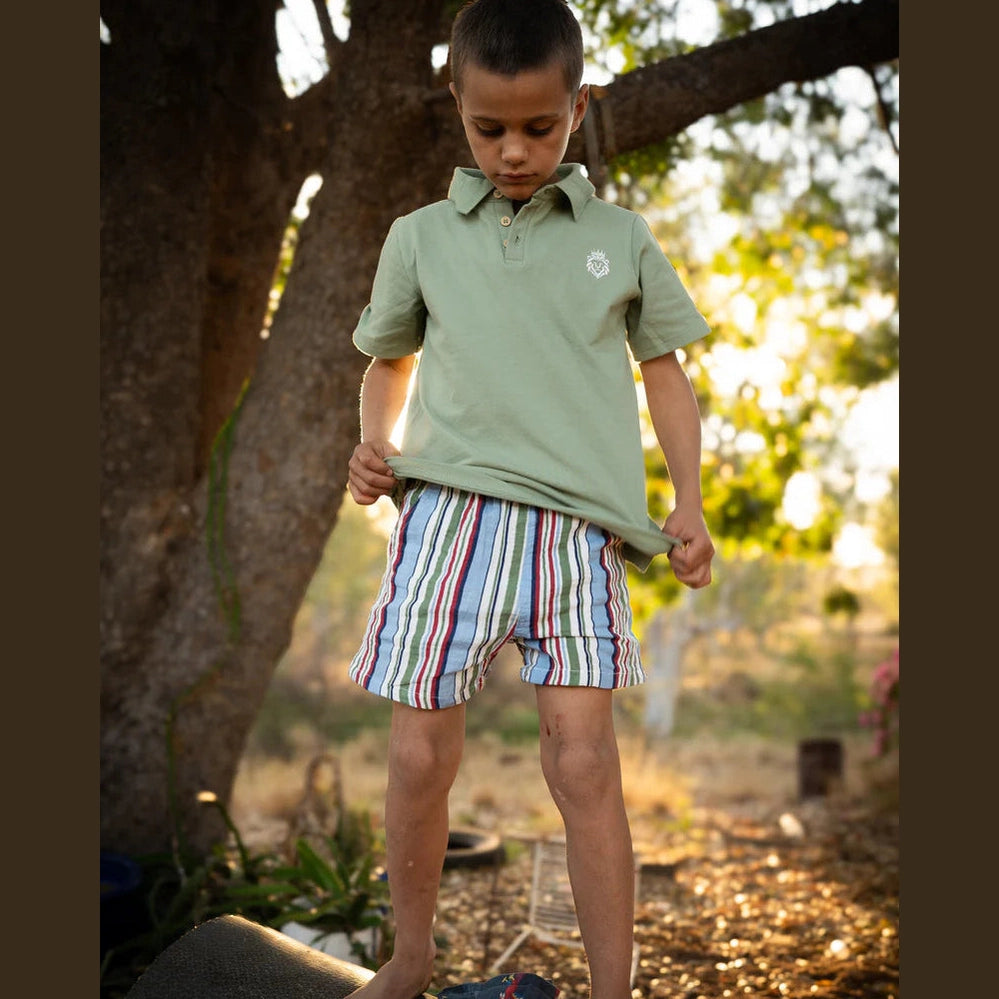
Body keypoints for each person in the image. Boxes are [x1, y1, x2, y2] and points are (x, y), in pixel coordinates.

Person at [345, 1, 714, 996]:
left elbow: (666, 373)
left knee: (584, 764)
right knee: (419, 758)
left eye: (540, 127)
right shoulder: (419, 238)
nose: (514, 151)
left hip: (579, 537)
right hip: (448, 525)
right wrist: (373, 444)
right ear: (456, 105)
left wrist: (687, 501)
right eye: (490, 128)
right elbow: (387, 363)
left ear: (577, 107)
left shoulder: (619, 239)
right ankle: (410, 956)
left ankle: (611, 988)